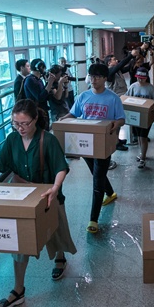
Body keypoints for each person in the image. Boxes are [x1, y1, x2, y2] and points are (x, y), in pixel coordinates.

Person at [0, 99, 76, 307]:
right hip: (20, 195)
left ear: (35, 119)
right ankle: (18, 289)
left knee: (55, 231)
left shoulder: (48, 140)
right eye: (15, 123)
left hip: (47, 194)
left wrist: (55, 187)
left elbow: (61, 167)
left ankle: (60, 258)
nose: (20, 128)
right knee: (19, 241)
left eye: (24, 123)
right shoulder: (12, 140)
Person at [60, 63, 125, 233]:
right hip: (86, 144)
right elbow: (74, 114)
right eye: (91, 76)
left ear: (104, 78)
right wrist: (62, 121)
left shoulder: (113, 98)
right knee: (97, 173)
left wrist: (114, 125)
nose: (93, 80)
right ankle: (110, 193)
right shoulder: (83, 96)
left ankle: (93, 220)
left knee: (97, 180)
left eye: (97, 77)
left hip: (103, 144)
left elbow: (121, 119)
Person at [124, 67, 154, 168]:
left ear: (146, 78)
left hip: (146, 118)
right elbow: (126, 99)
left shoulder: (150, 88)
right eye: (138, 78)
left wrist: (152, 108)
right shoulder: (133, 87)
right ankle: (141, 153)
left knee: (143, 137)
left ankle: (143, 158)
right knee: (139, 137)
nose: (140, 80)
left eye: (142, 78)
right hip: (135, 117)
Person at [105, 48, 139, 151]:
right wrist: (130, 55)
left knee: (119, 122)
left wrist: (136, 58)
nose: (117, 61)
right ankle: (116, 143)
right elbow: (121, 65)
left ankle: (118, 140)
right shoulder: (109, 72)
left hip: (121, 99)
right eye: (114, 59)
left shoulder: (117, 71)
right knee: (116, 123)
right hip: (115, 101)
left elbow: (128, 67)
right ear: (109, 62)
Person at [24, 58, 55, 129]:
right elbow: (40, 97)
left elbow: (45, 94)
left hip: (43, 110)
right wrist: (49, 83)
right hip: (36, 113)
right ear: (39, 68)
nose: (44, 70)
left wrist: (49, 83)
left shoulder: (38, 80)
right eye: (43, 68)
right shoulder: (30, 80)